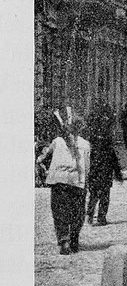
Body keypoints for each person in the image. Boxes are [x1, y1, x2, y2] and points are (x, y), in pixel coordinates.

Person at [36, 108, 90, 255]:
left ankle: (64, 241)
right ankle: (74, 239)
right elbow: (87, 166)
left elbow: (44, 156)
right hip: (77, 182)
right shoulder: (85, 144)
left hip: (59, 181)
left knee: (60, 212)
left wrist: (42, 161)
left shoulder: (58, 141)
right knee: (77, 213)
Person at [87, 129, 123, 225]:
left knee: (93, 197)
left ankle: (90, 215)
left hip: (94, 177)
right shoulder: (109, 151)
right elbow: (116, 165)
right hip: (105, 178)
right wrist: (119, 176)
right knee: (104, 198)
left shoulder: (93, 151)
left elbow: (88, 164)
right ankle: (101, 218)